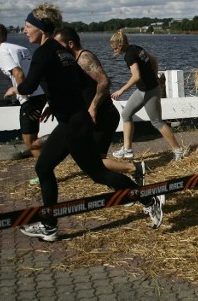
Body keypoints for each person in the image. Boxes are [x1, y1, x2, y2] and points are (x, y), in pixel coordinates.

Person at [5, 4, 164, 242]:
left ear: (41, 28)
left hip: (74, 123)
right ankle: (49, 226)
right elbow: (79, 82)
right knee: (43, 167)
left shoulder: (44, 52)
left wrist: (14, 88)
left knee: (98, 173)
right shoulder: (63, 52)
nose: (24, 31)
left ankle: (149, 200)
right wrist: (56, 103)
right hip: (72, 120)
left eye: (27, 27)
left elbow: (28, 86)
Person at [53, 27, 146, 186]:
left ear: (70, 44)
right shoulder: (72, 61)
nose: (55, 49)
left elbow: (105, 82)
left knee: (93, 161)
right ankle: (122, 185)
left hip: (103, 115)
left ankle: (133, 169)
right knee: (97, 159)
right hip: (96, 116)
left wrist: (93, 107)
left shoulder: (84, 58)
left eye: (58, 44)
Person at [109, 30, 185, 162]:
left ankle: (178, 150)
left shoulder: (129, 56)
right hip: (144, 89)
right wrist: (155, 76)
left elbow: (136, 76)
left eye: (115, 48)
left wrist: (121, 90)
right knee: (126, 114)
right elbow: (154, 60)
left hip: (150, 91)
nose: (114, 50)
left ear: (120, 45)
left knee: (157, 121)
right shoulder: (137, 48)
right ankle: (127, 150)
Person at [0, 23, 46, 159]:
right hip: (41, 93)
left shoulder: (0, 52)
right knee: (33, 137)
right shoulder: (20, 48)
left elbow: (19, 74)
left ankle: (45, 170)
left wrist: (25, 101)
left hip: (31, 97)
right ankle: (46, 166)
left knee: (30, 142)